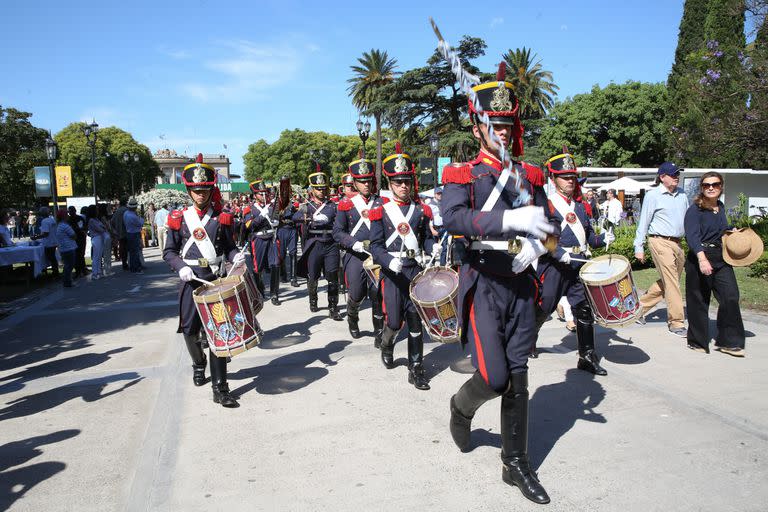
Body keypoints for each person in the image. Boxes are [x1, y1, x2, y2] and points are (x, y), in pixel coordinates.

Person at [441, 63, 555, 504]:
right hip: (484, 281)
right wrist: (509, 219)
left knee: (520, 375)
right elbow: (453, 219)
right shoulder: (461, 174)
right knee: (493, 376)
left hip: (523, 282)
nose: (502, 132)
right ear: (477, 127)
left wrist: (539, 246)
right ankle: (461, 406)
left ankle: (516, 463)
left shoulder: (532, 174)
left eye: (507, 124)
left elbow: (551, 228)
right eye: (493, 124)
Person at [163, 153, 243, 407]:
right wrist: (180, 268)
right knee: (189, 330)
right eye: (196, 190)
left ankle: (221, 388)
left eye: (205, 190)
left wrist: (236, 255)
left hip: (215, 279)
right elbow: (169, 251)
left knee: (217, 333)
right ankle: (199, 364)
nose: (201, 195)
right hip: (190, 279)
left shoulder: (222, 217)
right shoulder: (179, 218)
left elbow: (228, 247)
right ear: (189, 190)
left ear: (211, 190)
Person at [533, 152, 614, 376]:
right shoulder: (547, 205)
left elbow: (587, 237)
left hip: (579, 264)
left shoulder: (580, 207)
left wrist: (602, 239)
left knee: (584, 310)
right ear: (553, 179)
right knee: (545, 305)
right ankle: (528, 340)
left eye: (572, 176)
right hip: (554, 266)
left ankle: (587, 356)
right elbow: (542, 235)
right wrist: (558, 252)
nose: (570, 180)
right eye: (564, 177)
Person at [368, 143, 436, 389]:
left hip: (415, 270)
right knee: (395, 322)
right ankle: (387, 343)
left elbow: (427, 237)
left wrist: (431, 249)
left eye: (407, 181)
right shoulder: (381, 212)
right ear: (389, 183)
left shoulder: (421, 210)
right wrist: (388, 261)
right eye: (398, 182)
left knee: (416, 321)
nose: (404, 186)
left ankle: (416, 368)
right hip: (393, 272)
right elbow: (375, 246)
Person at [684, 172, 747, 356]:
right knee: (699, 301)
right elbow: (692, 236)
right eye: (706, 185)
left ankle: (729, 342)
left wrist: (729, 231)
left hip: (721, 258)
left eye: (715, 184)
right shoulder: (695, 210)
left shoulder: (719, 207)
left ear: (721, 187)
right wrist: (702, 259)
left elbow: (718, 230)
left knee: (731, 296)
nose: (711, 187)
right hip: (700, 257)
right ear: (701, 188)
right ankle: (697, 341)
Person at [633, 162, 689, 336]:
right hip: (659, 241)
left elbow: (688, 220)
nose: (676, 177)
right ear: (662, 177)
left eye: (677, 174)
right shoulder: (653, 195)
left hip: (678, 243)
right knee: (672, 281)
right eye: (673, 175)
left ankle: (639, 309)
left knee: (669, 281)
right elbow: (644, 221)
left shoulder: (682, 194)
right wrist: (638, 246)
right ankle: (676, 322)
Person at [333, 157, 385, 344]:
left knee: (377, 293)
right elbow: (337, 232)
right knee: (357, 292)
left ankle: (379, 333)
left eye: (368, 181)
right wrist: (353, 243)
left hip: (377, 254)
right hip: (355, 254)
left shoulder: (382, 202)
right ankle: (352, 317)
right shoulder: (346, 204)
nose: (365, 184)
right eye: (362, 181)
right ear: (354, 182)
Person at [293, 166, 343, 320]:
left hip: (330, 243)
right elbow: (294, 217)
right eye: (318, 189)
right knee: (313, 276)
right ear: (312, 190)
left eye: (323, 188)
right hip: (314, 243)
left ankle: (333, 307)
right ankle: (313, 300)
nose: (321, 191)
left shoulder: (333, 206)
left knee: (332, 276)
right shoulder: (306, 206)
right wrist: (311, 218)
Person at [243, 179, 281, 304]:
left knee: (275, 265)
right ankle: (260, 291)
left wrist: (276, 222)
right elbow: (249, 226)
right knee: (257, 267)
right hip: (258, 239)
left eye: (265, 193)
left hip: (271, 238)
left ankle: (274, 294)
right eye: (260, 193)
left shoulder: (272, 206)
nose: (264, 196)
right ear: (255, 195)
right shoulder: (250, 209)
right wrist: (261, 217)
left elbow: (278, 219)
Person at [55, 209, 78, 288]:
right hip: (69, 248)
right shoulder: (65, 226)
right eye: (66, 214)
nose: (68, 216)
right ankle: (68, 282)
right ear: (64, 216)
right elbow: (74, 236)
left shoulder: (59, 226)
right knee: (69, 266)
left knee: (67, 265)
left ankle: (67, 281)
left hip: (64, 248)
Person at [123, 197, 144, 273]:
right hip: (134, 233)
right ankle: (136, 267)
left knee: (132, 252)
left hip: (129, 233)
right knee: (135, 251)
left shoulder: (126, 214)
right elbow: (140, 223)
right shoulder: (133, 216)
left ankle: (133, 266)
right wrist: (141, 218)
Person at [86, 205, 108, 280]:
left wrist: (103, 227)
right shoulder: (91, 220)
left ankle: (98, 271)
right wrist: (103, 228)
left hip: (99, 237)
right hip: (96, 238)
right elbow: (100, 229)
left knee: (99, 256)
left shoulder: (96, 219)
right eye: (96, 210)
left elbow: (103, 227)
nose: (98, 211)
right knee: (96, 256)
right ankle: (94, 273)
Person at [37, 206, 59, 276]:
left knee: (51, 258)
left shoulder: (44, 221)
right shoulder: (52, 220)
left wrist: (36, 237)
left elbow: (46, 233)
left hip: (48, 242)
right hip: (54, 241)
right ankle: (55, 272)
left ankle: (55, 273)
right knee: (52, 258)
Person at [68, 206, 89, 278]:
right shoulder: (68, 220)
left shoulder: (80, 218)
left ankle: (82, 270)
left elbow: (85, 227)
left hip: (81, 238)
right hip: (73, 239)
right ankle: (79, 270)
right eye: (70, 211)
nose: (71, 213)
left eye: (72, 211)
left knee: (81, 254)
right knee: (76, 255)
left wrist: (80, 229)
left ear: (75, 211)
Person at [111, 197, 129, 270]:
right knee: (128, 248)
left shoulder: (117, 211)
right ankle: (129, 262)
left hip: (120, 232)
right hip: (127, 232)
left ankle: (124, 263)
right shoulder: (127, 210)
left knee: (122, 247)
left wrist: (116, 229)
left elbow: (112, 222)